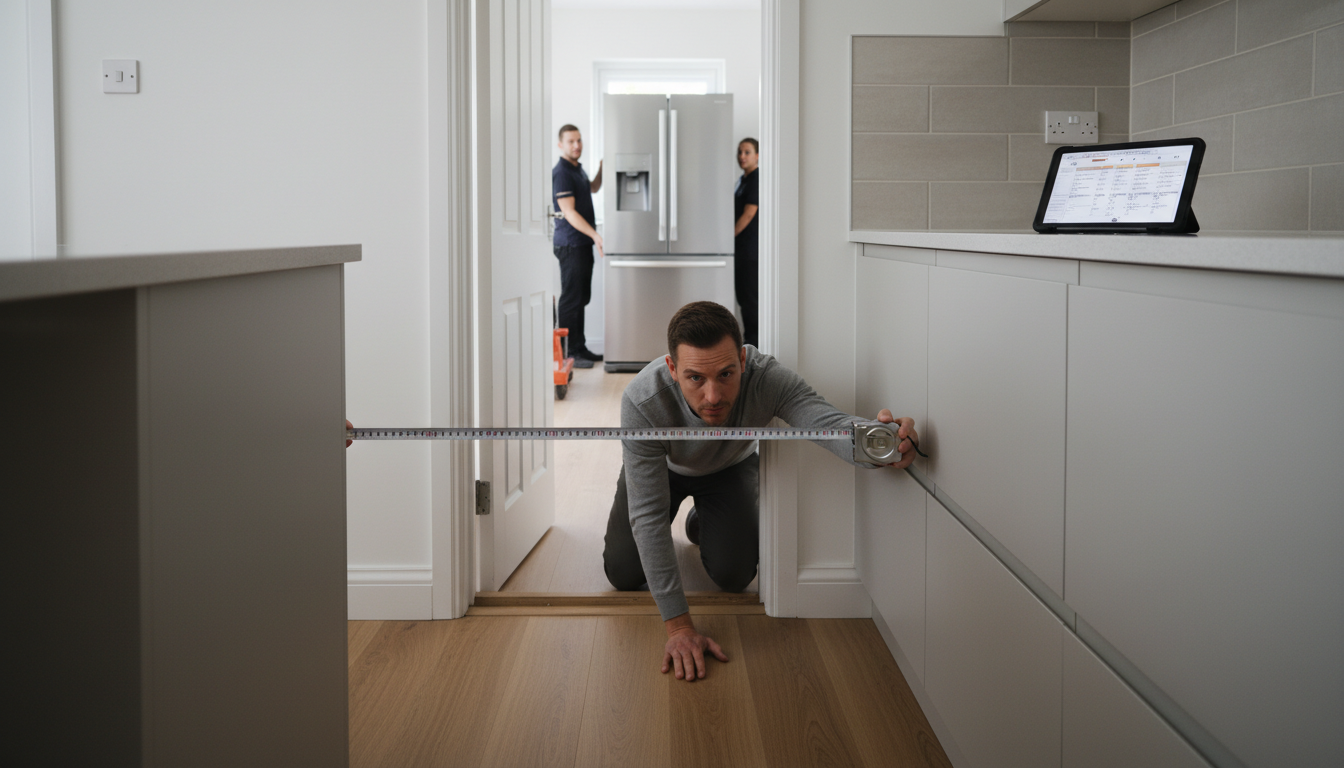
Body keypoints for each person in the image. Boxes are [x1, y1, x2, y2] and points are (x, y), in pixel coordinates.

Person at [602, 301, 919, 683]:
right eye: (695, 379)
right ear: (672, 370)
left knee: (734, 575)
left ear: (742, 360)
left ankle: (700, 520)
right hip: (661, 472)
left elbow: (826, 423)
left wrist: (880, 445)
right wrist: (680, 628)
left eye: (726, 373)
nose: (713, 395)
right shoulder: (641, 400)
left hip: (729, 469)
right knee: (621, 571)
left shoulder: (767, 378)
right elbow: (648, 515)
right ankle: (691, 517)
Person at [552, 124, 604, 368]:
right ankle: (570, 353)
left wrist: (603, 169)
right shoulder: (562, 172)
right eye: (571, 141)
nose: (577, 145)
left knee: (581, 297)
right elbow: (569, 212)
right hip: (571, 244)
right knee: (572, 299)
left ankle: (579, 347)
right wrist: (596, 235)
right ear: (561, 144)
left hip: (581, 243)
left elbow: (593, 188)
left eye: (579, 140)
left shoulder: (577, 169)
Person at [733, 138, 760, 348]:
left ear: (757, 156)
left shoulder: (756, 179)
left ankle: (753, 344)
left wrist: (729, 235)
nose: (742, 156)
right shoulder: (742, 180)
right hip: (740, 250)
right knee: (743, 298)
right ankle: (749, 341)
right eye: (740, 152)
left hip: (750, 250)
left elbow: (749, 213)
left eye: (747, 152)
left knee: (750, 299)